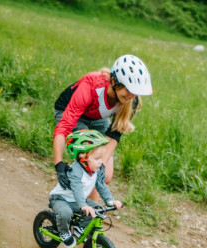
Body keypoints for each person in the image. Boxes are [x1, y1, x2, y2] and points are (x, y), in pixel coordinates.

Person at [53, 54, 153, 196]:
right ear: (114, 81)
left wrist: (102, 165)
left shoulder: (132, 101)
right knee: (89, 160)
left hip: (97, 118)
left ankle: (92, 213)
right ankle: (65, 200)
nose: (132, 96)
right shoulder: (91, 85)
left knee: (104, 175)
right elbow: (64, 126)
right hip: (69, 113)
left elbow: (114, 134)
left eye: (135, 92)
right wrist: (59, 164)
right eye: (129, 90)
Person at [49, 129, 122, 248]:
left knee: (97, 209)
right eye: (97, 159)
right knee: (66, 213)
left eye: (101, 158)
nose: (100, 163)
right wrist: (83, 205)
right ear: (84, 157)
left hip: (78, 200)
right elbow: (77, 189)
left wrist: (110, 201)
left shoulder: (95, 170)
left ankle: (80, 226)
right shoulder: (75, 171)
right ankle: (64, 232)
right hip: (61, 199)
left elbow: (101, 185)